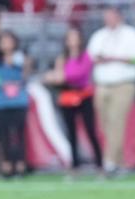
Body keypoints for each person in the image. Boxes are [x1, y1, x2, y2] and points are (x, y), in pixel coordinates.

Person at [87, 6, 135, 176]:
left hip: (124, 84)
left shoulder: (132, 35)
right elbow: (91, 58)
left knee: (116, 121)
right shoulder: (99, 36)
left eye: (111, 16)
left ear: (119, 16)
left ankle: (110, 163)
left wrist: (116, 59)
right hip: (102, 84)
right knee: (105, 125)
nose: (108, 19)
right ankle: (119, 162)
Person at [44, 27, 103, 177]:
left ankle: (99, 165)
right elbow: (56, 78)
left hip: (84, 95)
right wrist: (56, 77)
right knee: (71, 133)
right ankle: (75, 166)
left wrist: (58, 77)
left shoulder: (86, 57)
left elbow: (75, 76)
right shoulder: (62, 58)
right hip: (67, 97)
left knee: (90, 130)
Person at [0, 31, 31, 178]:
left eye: (9, 40)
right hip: (0, 103)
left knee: (19, 134)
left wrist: (20, 65)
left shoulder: (21, 59)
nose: (7, 44)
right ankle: (6, 165)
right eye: (3, 41)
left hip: (19, 101)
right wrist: (7, 85)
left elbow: (25, 77)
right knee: (4, 135)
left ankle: (20, 164)